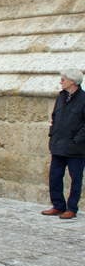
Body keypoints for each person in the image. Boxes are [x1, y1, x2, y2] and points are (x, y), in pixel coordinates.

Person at [42, 69, 85, 219]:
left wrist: (76, 139)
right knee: (54, 176)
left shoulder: (84, 99)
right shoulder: (61, 97)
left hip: (76, 148)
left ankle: (72, 208)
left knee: (76, 179)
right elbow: (55, 116)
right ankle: (58, 205)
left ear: (73, 81)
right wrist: (52, 133)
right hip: (58, 145)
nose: (61, 82)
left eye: (63, 79)